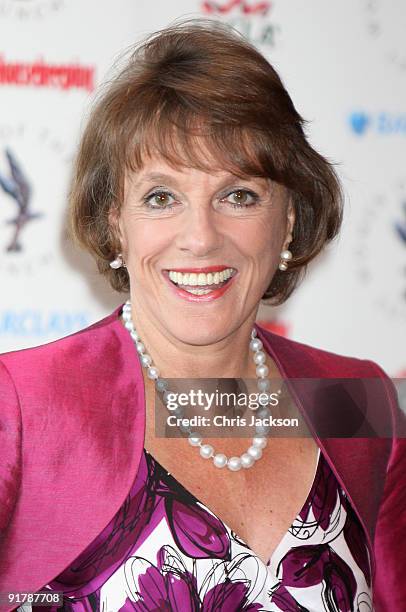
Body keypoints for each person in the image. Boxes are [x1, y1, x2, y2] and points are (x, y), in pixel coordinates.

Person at [0, 17, 404, 612]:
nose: (200, 237)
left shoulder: (357, 399)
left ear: (288, 220)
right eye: (161, 197)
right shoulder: (22, 407)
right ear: (116, 222)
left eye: (238, 194)